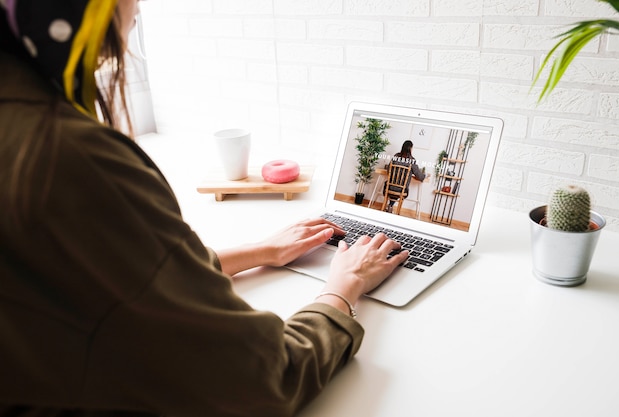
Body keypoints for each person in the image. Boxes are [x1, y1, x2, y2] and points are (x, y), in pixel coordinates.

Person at [0, 2, 409, 417]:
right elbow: (260, 381)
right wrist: (343, 287)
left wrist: (259, 251)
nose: (137, 5)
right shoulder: (68, 158)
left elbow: (107, 274)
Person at [384, 140, 428, 212]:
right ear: (410, 149)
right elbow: (419, 176)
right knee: (400, 186)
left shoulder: (396, 156)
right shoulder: (412, 161)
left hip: (390, 187)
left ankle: (390, 205)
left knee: (394, 185)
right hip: (402, 189)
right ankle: (390, 205)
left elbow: (389, 169)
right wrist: (425, 175)